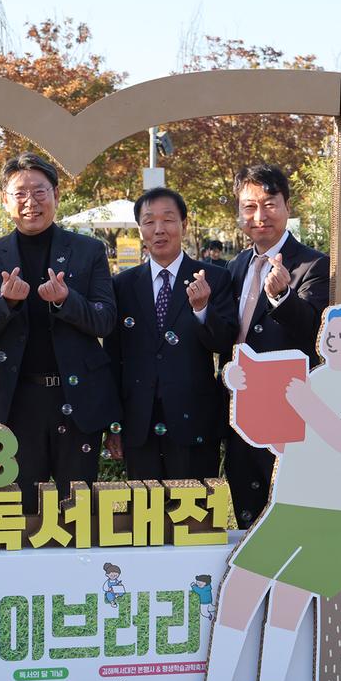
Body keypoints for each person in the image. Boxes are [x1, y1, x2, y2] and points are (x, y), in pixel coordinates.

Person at [181, 305, 341, 681]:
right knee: (242, 580)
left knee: (290, 588)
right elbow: (283, 442)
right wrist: (244, 390)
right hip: (297, 501)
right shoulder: (314, 379)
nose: (330, 341)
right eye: (326, 335)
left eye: (339, 335)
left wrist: (305, 403)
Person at [0, 152, 120, 512]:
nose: (30, 203)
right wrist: (5, 303)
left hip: (76, 399)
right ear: (4, 200)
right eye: (20, 194)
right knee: (21, 512)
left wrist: (67, 300)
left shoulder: (89, 250)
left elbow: (106, 319)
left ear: (56, 196)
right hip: (17, 401)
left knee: (77, 511)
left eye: (40, 192)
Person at [104, 188, 237, 480]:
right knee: (145, 516)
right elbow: (113, 358)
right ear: (140, 230)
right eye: (149, 221)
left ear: (184, 225)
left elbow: (225, 342)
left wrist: (202, 309)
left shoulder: (214, 277)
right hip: (139, 421)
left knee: (193, 516)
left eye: (168, 219)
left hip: (195, 421)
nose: (159, 229)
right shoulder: (122, 285)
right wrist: (114, 423)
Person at [224, 164, 329, 527]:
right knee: (246, 508)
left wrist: (283, 295)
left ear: (287, 205)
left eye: (270, 204)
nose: (260, 215)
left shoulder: (313, 264)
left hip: (287, 412)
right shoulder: (235, 266)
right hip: (241, 408)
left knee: (286, 515)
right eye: (249, 206)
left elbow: (314, 332)